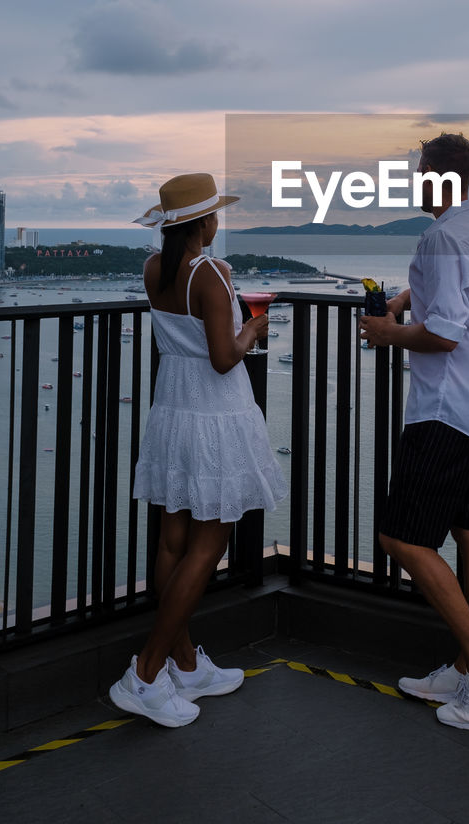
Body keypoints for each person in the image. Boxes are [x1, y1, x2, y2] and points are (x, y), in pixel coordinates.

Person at [109, 172, 287, 727]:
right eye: (215, 215)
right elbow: (222, 356)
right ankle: (143, 673)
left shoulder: (152, 270)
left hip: (172, 412)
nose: (218, 222)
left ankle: (185, 665)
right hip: (215, 415)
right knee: (209, 546)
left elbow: (185, 344)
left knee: (173, 541)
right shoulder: (213, 273)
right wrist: (253, 332)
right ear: (201, 223)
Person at [359, 133, 469, 731]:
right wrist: (402, 301)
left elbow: (447, 332)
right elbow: (457, 298)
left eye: (417, 172)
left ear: (432, 174)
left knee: (402, 540)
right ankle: (467, 669)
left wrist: (386, 334)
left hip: (445, 411)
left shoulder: (441, 237)